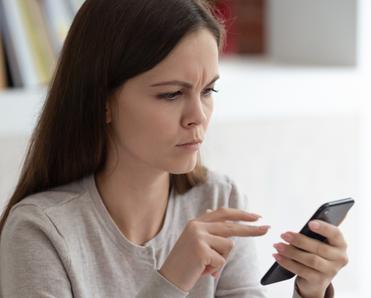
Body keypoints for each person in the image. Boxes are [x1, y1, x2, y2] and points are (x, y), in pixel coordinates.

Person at [0, 0, 348, 297]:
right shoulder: (39, 232)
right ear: (102, 101)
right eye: (171, 94)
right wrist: (173, 278)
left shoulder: (217, 199)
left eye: (208, 91)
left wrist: (310, 290)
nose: (198, 116)